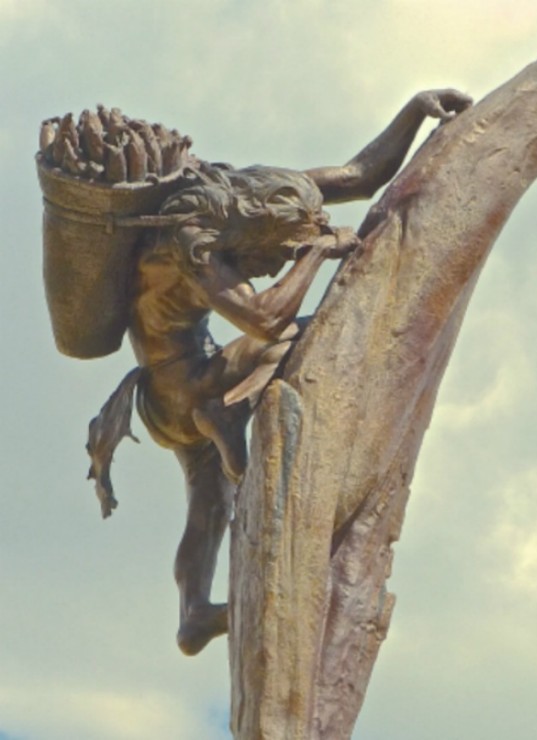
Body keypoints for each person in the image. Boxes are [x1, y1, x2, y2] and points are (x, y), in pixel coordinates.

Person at [87, 88, 472, 655]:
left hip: (167, 392)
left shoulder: (257, 199)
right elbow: (266, 320)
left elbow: (358, 175)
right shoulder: (192, 241)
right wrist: (317, 252)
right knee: (306, 331)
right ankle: (226, 411)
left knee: (209, 504)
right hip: (186, 387)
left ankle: (193, 612)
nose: (278, 261)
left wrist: (415, 111)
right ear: (263, 225)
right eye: (278, 253)